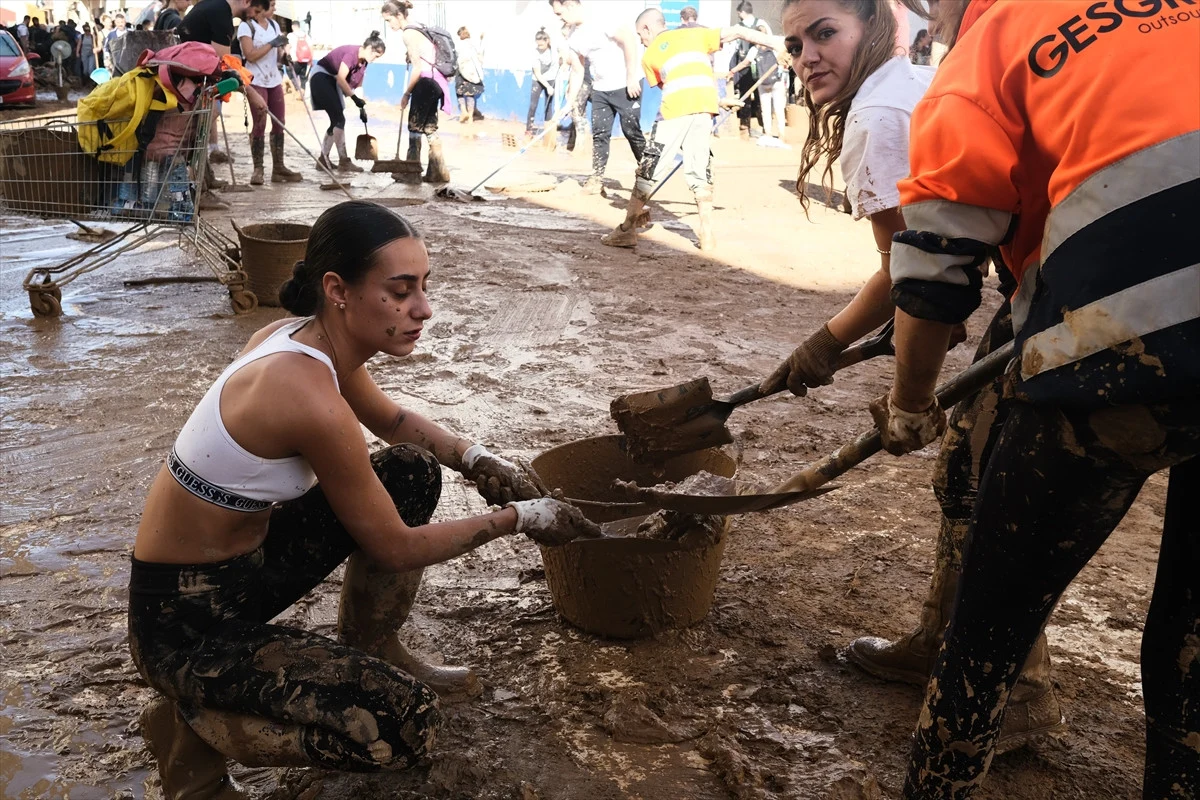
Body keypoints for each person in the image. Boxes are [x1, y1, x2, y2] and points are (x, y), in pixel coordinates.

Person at [129, 200, 601, 796]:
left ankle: (373, 641)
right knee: (402, 726)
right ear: (337, 289)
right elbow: (396, 549)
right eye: (400, 291)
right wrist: (521, 517)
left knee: (410, 471)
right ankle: (193, 727)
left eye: (424, 287)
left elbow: (396, 421)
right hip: (181, 621)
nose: (422, 309)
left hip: (245, 567)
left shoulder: (304, 340)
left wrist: (478, 459)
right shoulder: (305, 394)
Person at [863, 0, 1199, 796]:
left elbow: (937, 266)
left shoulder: (990, 47)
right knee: (1192, 645)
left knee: (988, 635)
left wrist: (911, 401)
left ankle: (947, 771)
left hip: (1131, 340)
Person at [755, 0, 1064, 763]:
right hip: (1053, 265)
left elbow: (907, 273)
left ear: (878, 28)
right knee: (967, 466)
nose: (806, 55)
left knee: (989, 472)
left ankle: (1017, 691)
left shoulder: (879, 115)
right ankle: (942, 633)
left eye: (824, 33)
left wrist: (829, 348)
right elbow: (931, 262)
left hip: (1071, 280)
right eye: (794, 44)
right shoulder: (904, 86)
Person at [599, 8, 724, 252]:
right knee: (700, 171)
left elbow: (668, 86)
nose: (642, 41)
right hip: (705, 108)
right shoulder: (694, 35)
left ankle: (626, 230)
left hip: (675, 111)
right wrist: (777, 43)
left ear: (647, 29)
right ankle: (707, 235)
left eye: (640, 35)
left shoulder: (650, 55)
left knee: (648, 170)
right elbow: (736, 32)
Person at [550, 0, 646, 196]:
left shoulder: (602, 19)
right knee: (600, 134)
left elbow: (628, 40)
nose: (560, 19)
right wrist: (569, 102)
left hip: (625, 85)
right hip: (601, 89)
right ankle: (597, 177)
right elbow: (577, 71)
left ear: (569, 5)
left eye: (560, 14)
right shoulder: (574, 37)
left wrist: (631, 77)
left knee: (631, 131)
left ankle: (647, 174)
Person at [177, 0, 264, 209]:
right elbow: (220, 64)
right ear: (245, 2)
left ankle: (205, 179)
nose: (253, 16)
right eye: (255, 10)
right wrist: (250, 93)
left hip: (189, 78)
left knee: (202, 131)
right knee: (197, 135)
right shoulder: (222, 14)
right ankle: (200, 193)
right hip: (190, 83)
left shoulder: (211, 6)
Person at [381, 0, 453, 183]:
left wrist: (406, 94)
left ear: (399, 16)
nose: (389, 25)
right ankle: (438, 172)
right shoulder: (419, 27)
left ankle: (411, 173)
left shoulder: (408, 34)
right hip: (437, 82)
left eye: (389, 20)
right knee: (430, 128)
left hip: (425, 82)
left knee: (414, 127)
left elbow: (417, 68)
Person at [237, 0, 302, 185]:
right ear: (261, 8)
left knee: (279, 122)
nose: (274, 9)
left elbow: (277, 52)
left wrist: (284, 55)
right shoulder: (246, 27)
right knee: (260, 122)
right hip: (255, 79)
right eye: (271, 5)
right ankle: (258, 169)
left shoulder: (273, 25)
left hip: (274, 79)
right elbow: (250, 55)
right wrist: (272, 44)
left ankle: (279, 167)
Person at [309, 32, 384, 173]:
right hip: (322, 77)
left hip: (332, 82)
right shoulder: (351, 54)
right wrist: (354, 99)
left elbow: (359, 86)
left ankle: (323, 160)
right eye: (376, 55)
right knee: (339, 119)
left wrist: (362, 108)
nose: (375, 59)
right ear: (369, 49)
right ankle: (343, 161)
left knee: (336, 120)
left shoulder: (364, 63)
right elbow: (341, 79)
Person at [729, 1, 764, 139]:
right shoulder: (738, 27)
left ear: (742, 12)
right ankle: (745, 126)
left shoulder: (760, 24)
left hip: (760, 67)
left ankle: (763, 127)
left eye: (739, 14)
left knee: (761, 98)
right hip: (745, 67)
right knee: (745, 97)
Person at [526, 28, 559, 139]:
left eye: (541, 45)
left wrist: (563, 62)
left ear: (547, 41)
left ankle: (547, 132)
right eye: (538, 45)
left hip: (551, 79)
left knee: (549, 106)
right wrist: (548, 87)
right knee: (533, 106)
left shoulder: (554, 50)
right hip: (538, 79)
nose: (539, 47)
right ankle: (529, 131)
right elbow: (537, 73)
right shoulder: (534, 53)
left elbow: (564, 56)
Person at [454, 26, 485, 128]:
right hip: (473, 72)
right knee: (470, 94)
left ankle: (463, 111)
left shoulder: (459, 45)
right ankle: (470, 117)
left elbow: (456, 57)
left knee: (459, 92)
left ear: (460, 35)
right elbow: (480, 53)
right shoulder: (473, 43)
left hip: (462, 71)